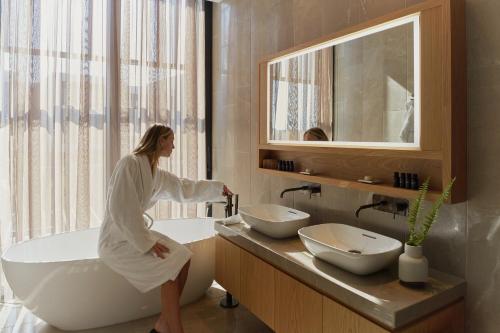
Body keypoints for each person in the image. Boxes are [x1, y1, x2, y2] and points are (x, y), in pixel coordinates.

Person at [98, 124, 231, 333]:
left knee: (184, 258)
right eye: (171, 141)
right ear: (161, 141)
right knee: (172, 265)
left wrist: (217, 189)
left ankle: (163, 324)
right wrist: (146, 242)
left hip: (136, 235)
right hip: (117, 239)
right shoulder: (129, 164)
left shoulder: (154, 173)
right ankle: (175, 329)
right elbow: (120, 207)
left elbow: (184, 188)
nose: (174, 146)